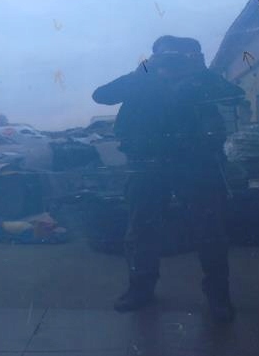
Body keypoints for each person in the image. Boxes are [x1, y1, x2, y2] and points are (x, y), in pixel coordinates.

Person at [92, 36, 243, 322]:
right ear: (154, 58)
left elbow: (235, 96)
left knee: (210, 230)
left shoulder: (201, 81)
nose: (173, 63)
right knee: (141, 229)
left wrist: (202, 72)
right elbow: (101, 95)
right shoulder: (143, 81)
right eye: (166, 56)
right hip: (146, 165)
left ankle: (218, 295)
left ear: (194, 58)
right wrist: (143, 71)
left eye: (181, 56)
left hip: (197, 165)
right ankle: (140, 289)